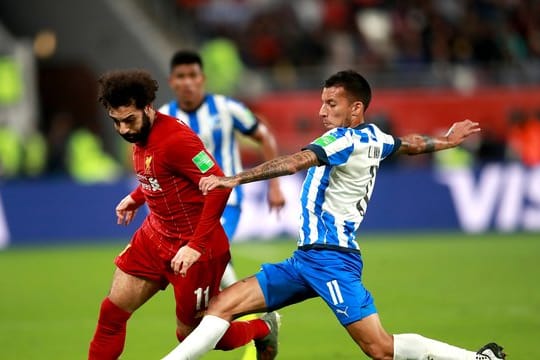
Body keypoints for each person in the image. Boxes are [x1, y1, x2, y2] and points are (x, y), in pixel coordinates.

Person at [161, 70, 506, 360]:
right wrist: (445, 142)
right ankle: (258, 331)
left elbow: (294, 162)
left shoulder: (342, 140)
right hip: (304, 260)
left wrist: (234, 178)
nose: (322, 111)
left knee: (381, 349)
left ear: (356, 108)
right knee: (222, 306)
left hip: (332, 261)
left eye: (331, 103)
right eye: (322, 102)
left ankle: (477, 359)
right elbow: (409, 144)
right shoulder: (375, 137)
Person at [88, 69, 280, 360]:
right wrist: (137, 197)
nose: (124, 129)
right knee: (111, 313)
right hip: (154, 237)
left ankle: (261, 329)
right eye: (116, 122)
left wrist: (195, 246)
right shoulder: (141, 136)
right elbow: (162, 174)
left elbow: (218, 185)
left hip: (196, 249)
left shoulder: (177, 139)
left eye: (129, 120)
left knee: (193, 335)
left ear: (147, 108)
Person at [158, 50, 286, 290]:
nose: (187, 82)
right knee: (205, 263)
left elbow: (264, 136)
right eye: (181, 76)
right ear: (171, 82)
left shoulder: (226, 108)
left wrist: (275, 185)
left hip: (227, 200)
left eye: (192, 75)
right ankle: (244, 317)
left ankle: (248, 318)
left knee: (204, 253)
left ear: (202, 78)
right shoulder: (164, 117)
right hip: (186, 206)